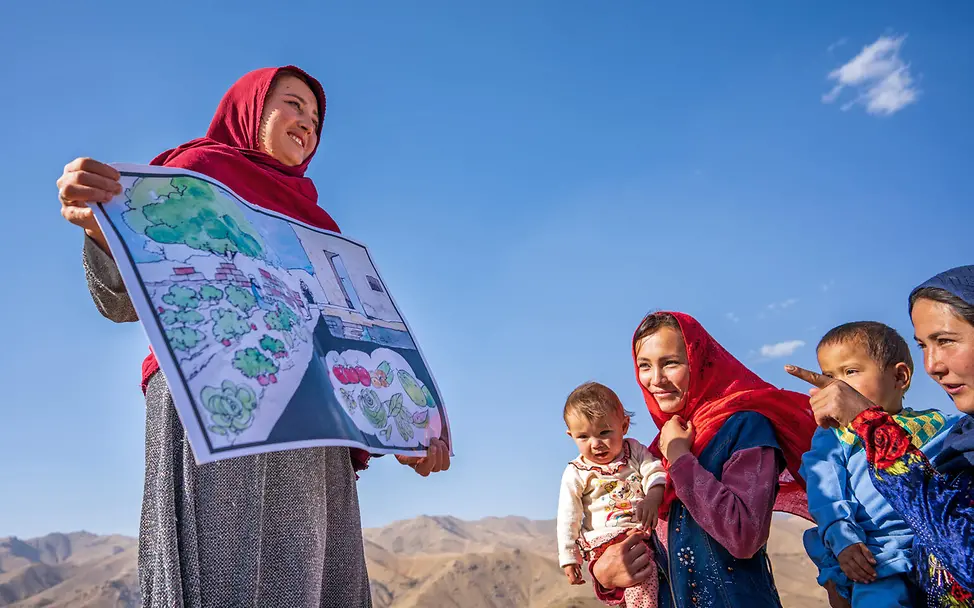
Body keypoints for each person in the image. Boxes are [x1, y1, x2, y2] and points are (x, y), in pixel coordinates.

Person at [56, 65, 450, 608]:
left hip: (311, 431)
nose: (307, 123)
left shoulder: (319, 226)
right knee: (221, 573)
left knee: (312, 581)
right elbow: (126, 300)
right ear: (250, 110)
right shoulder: (192, 176)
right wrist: (103, 230)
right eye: (292, 104)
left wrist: (406, 426)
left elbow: (339, 344)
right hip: (218, 410)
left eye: (316, 118)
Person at [591, 312, 817, 607]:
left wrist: (681, 459)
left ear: (700, 362)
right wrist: (605, 577)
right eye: (644, 366)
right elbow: (644, 548)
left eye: (670, 363)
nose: (655, 380)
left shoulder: (745, 428)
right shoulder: (656, 452)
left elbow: (744, 535)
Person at [787, 265, 974, 607]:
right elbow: (826, 496)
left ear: (900, 377)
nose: (837, 387)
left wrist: (868, 420)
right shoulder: (835, 438)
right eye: (923, 345)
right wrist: (841, 542)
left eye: (851, 373)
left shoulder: (944, 428)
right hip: (875, 560)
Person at [557, 382, 667, 607]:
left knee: (651, 574)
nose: (596, 444)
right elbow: (569, 517)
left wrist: (653, 497)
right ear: (571, 436)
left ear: (624, 425)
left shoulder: (634, 451)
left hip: (639, 532)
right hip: (604, 539)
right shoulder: (576, 472)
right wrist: (569, 558)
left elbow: (654, 471)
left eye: (604, 432)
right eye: (583, 437)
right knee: (643, 575)